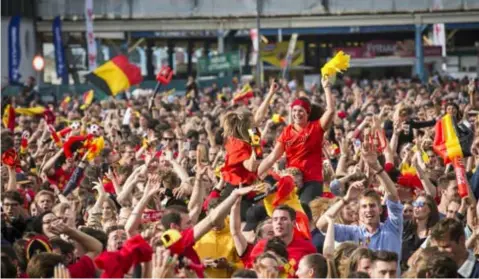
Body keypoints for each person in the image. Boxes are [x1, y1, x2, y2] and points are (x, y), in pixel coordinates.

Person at [258, 76, 335, 204]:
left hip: (312, 180)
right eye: (294, 110)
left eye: (301, 111)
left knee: (305, 210)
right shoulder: (286, 132)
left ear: (308, 113)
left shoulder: (316, 127)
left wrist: (326, 87)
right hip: (291, 179)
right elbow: (273, 157)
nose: (297, 114)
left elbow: (331, 111)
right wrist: (256, 175)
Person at [316, 146, 403, 258]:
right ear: (358, 211)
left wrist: (377, 168)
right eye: (364, 207)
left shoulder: (393, 227)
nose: (368, 210)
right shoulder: (354, 232)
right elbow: (322, 225)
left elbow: (393, 196)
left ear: (380, 209)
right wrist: (346, 199)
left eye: (372, 206)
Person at [249, 205, 317, 277]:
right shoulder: (261, 246)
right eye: (275, 219)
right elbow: (251, 273)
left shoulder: (307, 247)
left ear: (293, 223)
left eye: (283, 219)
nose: (279, 222)